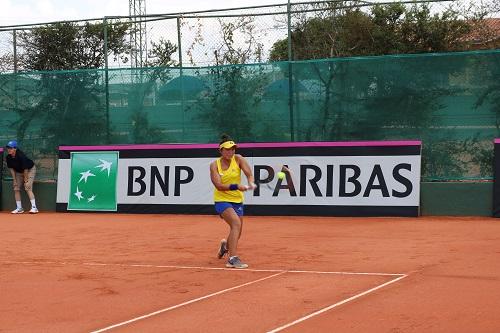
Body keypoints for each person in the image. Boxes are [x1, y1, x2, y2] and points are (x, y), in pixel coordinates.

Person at [210, 134, 256, 269]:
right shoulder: (214, 165)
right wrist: (236, 186)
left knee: (237, 231)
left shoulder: (239, 159)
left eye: (233, 149)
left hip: (237, 200)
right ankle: (232, 258)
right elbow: (218, 185)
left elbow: (249, 174)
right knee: (235, 223)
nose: (231, 152)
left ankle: (225, 247)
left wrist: (251, 182)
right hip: (222, 200)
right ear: (221, 150)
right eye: (228, 149)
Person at [5, 140, 38, 214]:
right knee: (16, 188)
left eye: (10, 148)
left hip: (29, 170)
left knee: (28, 187)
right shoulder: (8, 157)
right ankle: (19, 208)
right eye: (8, 148)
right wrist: (14, 180)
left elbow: (25, 169)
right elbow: (11, 169)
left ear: (15, 148)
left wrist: (26, 180)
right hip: (18, 172)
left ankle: (34, 208)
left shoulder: (21, 156)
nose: (9, 149)